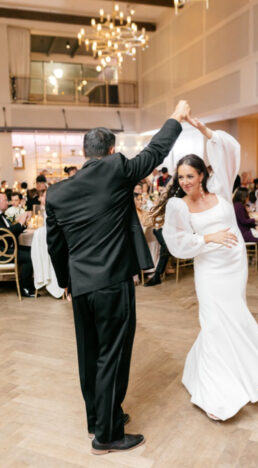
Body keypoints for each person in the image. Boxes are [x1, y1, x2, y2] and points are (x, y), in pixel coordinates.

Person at [45, 100, 189, 454]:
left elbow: (55, 246)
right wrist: (175, 117)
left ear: (84, 153)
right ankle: (106, 436)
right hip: (112, 283)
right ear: (110, 151)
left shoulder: (57, 193)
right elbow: (155, 151)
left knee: (89, 353)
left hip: (80, 285)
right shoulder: (116, 169)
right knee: (112, 354)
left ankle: (99, 417)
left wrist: (66, 281)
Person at [154, 116, 258, 422]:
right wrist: (207, 237)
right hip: (209, 267)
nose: (185, 182)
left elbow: (229, 149)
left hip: (234, 263)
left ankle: (247, 372)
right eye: (181, 177)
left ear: (202, 175)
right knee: (214, 322)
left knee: (235, 316)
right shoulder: (178, 206)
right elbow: (176, 243)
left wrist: (204, 131)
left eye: (190, 175)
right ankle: (216, 394)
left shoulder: (221, 187)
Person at [0, 192, 34, 297]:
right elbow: (5, 234)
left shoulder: (2, 215)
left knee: (33, 250)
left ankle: (27, 283)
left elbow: (10, 233)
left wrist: (22, 225)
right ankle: (25, 288)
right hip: (3, 252)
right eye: (5, 200)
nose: (8, 202)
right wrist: (19, 223)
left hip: (7, 248)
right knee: (30, 256)